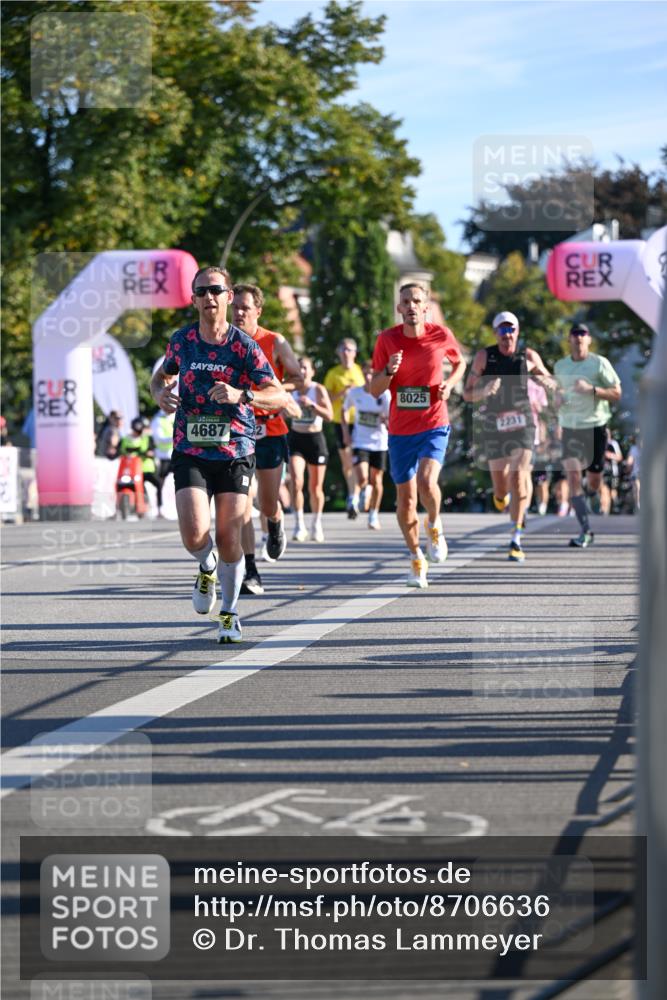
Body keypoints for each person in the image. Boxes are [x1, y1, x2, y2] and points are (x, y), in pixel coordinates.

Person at [149, 265, 289, 643]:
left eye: (215, 290)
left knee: (230, 538)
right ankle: (205, 564)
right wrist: (159, 394)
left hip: (235, 450)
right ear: (193, 299)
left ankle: (228, 612)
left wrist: (242, 395)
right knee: (195, 535)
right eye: (201, 291)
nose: (208, 297)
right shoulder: (182, 341)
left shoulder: (245, 346)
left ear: (228, 296)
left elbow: (280, 395)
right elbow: (160, 377)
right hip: (191, 449)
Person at [370, 282, 466, 588]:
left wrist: (450, 385)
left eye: (417, 301)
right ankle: (415, 557)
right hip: (400, 431)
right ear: (399, 308)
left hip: (435, 422)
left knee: (427, 481)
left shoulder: (441, 334)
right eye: (406, 301)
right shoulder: (387, 340)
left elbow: (459, 361)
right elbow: (374, 389)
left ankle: (434, 525)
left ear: (426, 307)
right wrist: (387, 371)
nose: (411, 306)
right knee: (405, 500)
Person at [463, 311, 557, 562]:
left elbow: (546, 376)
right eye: (502, 331)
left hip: (523, 422)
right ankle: (500, 497)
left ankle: (516, 538)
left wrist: (549, 382)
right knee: (502, 487)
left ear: (517, 332)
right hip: (495, 424)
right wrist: (484, 390)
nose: (507, 335)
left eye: (511, 330)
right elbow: (467, 393)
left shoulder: (528, 355)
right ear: (496, 333)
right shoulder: (485, 356)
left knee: (518, 477)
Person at [231, 283, 303, 595]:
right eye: (235, 307)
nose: (239, 312)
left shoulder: (275, 341)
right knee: (242, 503)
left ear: (258, 311)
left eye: (245, 307)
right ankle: (250, 569)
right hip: (237, 429)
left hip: (270, 428)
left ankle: (274, 524)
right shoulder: (224, 341)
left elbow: (298, 377)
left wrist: (268, 394)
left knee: (268, 503)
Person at [554, 323, 622, 548]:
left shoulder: (599, 363)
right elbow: (557, 395)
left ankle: (592, 493)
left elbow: (617, 393)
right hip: (571, 428)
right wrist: (557, 400)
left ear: (589, 339)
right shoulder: (560, 366)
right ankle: (585, 530)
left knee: (594, 481)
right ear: (569, 339)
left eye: (583, 334)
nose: (579, 338)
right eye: (575, 334)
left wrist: (592, 390)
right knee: (573, 476)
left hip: (596, 427)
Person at [288, 356, 333, 543]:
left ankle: (316, 523)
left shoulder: (318, 390)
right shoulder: (291, 390)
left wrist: (312, 406)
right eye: (299, 368)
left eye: (305, 368)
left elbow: (330, 415)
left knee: (315, 487)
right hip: (296, 438)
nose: (302, 371)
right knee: (297, 481)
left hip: (315, 439)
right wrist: (290, 409)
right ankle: (299, 524)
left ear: (312, 371)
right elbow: (282, 413)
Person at [342, 360, 390, 530]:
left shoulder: (385, 395)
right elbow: (344, 410)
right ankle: (364, 490)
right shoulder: (355, 393)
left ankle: (373, 514)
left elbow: (391, 419)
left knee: (377, 480)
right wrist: (346, 432)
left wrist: (386, 421)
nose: (369, 376)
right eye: (366, 373)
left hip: (380, 442)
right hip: (360, 441)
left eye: (372, 373)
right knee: (362, 477)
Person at [323, 338, 365, 519]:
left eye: (350, 350)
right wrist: (343, 392)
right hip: (340, 421)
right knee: (347, 462)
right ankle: (352, 495)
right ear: (339, 353)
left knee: (360, 462)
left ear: (355, 353)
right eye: (344, 349)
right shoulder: (333, 373)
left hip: (360, 422)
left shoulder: (360, 372)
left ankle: (356, 495)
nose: (347, 353)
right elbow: (325, 400)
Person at [119, 417, 163, 512]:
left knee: (158, 484)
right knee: (136, 487)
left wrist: (148, 453)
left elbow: (152, 451)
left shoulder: (147, 438)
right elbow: (120, 451)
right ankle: (138, 507)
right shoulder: (126, 439)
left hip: (147, 469)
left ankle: (159, 507)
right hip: (132, 470)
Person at [150, 408, 176, 512]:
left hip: (176, 454)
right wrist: (176, 437)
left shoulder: (175, 416)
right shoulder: (158, 420)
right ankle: (159, 508)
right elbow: (159, 438)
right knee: (160, 483)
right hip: (163, 457)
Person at [600, 428, 623, 515]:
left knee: (613, 491)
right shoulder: (600, 444)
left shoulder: (613, 444)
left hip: (613, 472)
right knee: (604, 490)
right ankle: (604, 509)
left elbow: (619, 457)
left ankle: (614, 507)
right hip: (603, 472)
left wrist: (609, 455)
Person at [625, 434, 641, 512]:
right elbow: (629, 462)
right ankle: (638, 505)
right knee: (637, 487)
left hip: (642, 473)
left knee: (637, 488)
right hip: (637, 473)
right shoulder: (633, 449)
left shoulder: (634, 449)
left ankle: (639, 505)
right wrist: (628, 469)